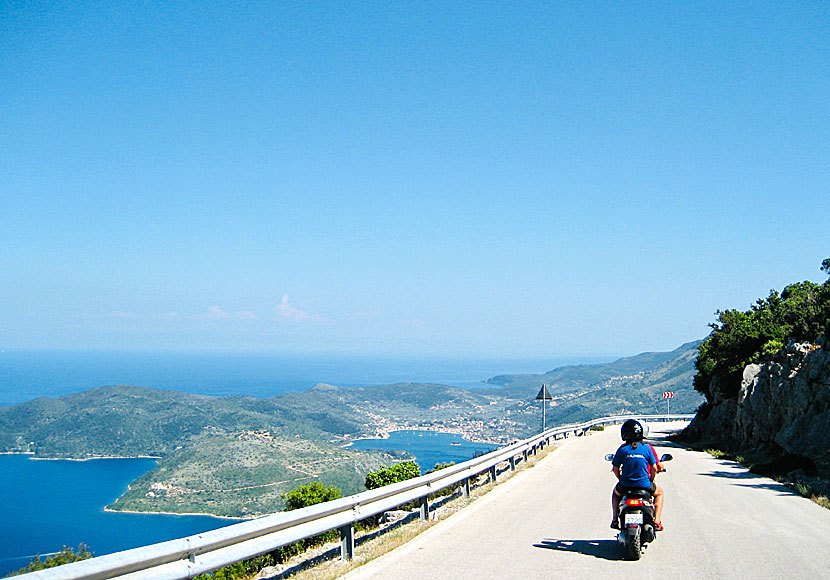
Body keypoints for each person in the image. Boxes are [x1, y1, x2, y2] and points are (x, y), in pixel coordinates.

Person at [610, 419, 665, 531]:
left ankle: (615, 519)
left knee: (615, 494)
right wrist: (651, 479)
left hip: (625, 486)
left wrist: (621, 479)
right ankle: (657, 521)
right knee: (659, 493)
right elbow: (655, 468)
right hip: (645, 486)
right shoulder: (647, 448)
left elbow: (615, 469)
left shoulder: (622, 449)